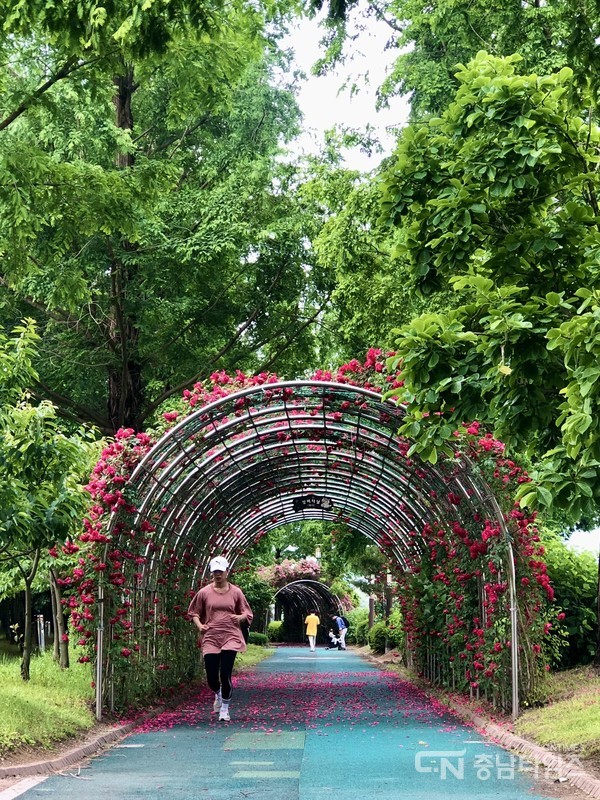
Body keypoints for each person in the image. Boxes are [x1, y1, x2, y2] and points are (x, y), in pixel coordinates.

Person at [188, 556, 253, 722]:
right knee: (211, 675)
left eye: (220, 571)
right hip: (211, 636)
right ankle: (217, 694)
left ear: (226, 572)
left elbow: (247, 613)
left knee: (225, 673)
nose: (217, 575)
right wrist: (199, 625)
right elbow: (194, 612)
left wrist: (240, 618)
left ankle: (225, 708)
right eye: (215, 572)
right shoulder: (204, 593)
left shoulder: (236, 592)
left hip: (231, 635)